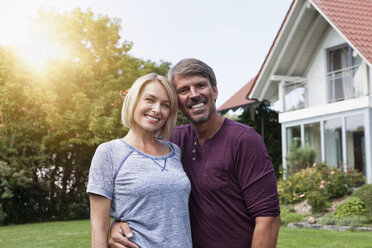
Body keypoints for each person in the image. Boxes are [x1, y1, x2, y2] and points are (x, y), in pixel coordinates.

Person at [109, 59, 281, 248]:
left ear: (214, 91)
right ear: (177, 102)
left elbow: (269, 220)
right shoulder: (172, 144)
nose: (194, 95)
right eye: (183, 90)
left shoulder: (244, 140)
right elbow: (145, 194)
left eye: (200, 85)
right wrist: (118, 225)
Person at [87, 73, 192, 248]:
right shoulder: (109, 153)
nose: (157, 109)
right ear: (134, 101)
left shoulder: (176, 153)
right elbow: (99, 232)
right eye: (149, 100)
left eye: (165, 105)